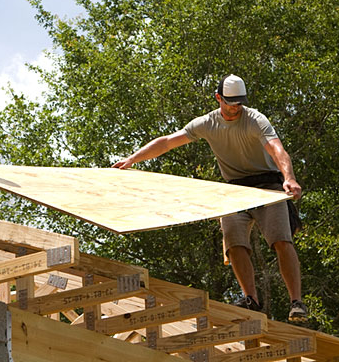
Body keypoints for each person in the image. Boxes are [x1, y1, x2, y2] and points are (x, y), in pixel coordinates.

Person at [113, 74, 308, 322]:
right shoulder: (207, 123)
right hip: (234, 191)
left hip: (267, 186)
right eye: (230, 103)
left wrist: (288, 177)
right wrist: (132, 159)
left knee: (281, 241)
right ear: (218, 98)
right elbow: (168, 142)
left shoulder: (255, 120)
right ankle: (251, 300)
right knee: (234, 243)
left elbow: (277, 148)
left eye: (239, 103)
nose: (235, 108)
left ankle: (296, 302)